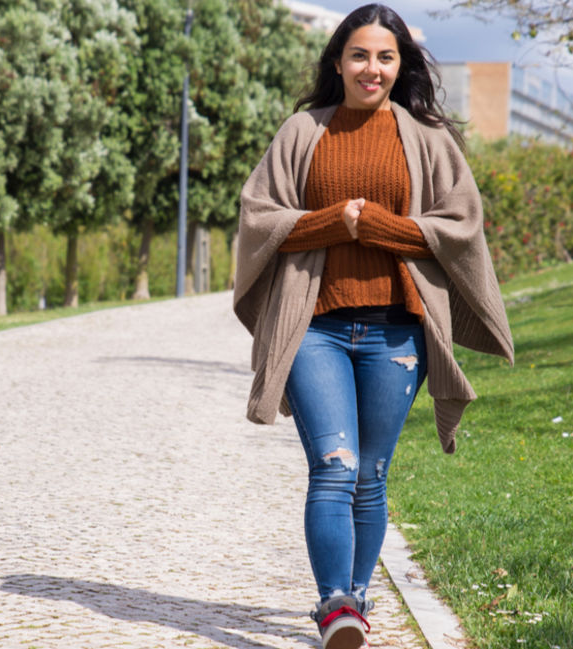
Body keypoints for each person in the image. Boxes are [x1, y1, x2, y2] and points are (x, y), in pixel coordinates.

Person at [233, 4, 514, 648]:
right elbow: (260, 216)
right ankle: (335, 604)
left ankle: (356, 601)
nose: (372, 68)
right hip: (316, 328)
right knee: (334, 466)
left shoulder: (427, 137)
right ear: (338, 61)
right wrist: (338, 221)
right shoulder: (303, 130)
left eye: (385, 57)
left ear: (400, 65)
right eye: (360, 55)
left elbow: (460, 226)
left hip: (397, 333)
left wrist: (379, 225)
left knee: (371, 474)